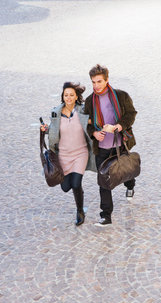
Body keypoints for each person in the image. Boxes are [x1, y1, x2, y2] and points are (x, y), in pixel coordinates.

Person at [85, 64, 137, 226]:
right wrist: (94, 133)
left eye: (99, 81)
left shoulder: (121, 96)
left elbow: (131, 114)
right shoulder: (89, 101)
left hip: (120, 144)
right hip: (101, 148)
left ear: (107, 80)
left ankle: (130, 185)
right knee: (104, 181)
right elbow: (86, 124)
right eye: (93, 82)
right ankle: (106, 215)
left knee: (126, 172)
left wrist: (117, 127)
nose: (96, 86)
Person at [41, 82, 96, 226]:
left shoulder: (83, 112)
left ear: (76, 96)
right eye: (66, 95)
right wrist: (45, 129)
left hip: (80, 153)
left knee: (76, 183)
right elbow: (54, 130)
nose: (69, 97)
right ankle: (77, 195)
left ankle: (80, 211)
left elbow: (93, 123)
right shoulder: (56, 113)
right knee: (66, 187)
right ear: (62, 97)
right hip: (63, 155)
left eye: (72, 95)